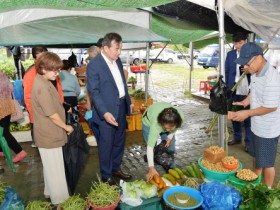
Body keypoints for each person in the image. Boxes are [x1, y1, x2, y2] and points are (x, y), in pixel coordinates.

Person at [232, 42, 280, 188]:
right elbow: (254, 93)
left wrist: (246, 113)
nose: (245, 67)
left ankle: (268, 190)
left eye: (247, 64)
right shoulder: (255, 73)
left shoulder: (273, 78)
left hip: (268, 129)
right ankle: (255, 182)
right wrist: (245, 103)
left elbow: (271, 107)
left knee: (267, 163)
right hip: (256, 126)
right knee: (256, 156)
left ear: (259, 58)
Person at [86, 32, 132, 185]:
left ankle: (115, 168)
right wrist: (104, 112)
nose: (119, 52)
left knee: (119, 140)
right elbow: (94, 92)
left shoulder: (117, 61)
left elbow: (121, 84)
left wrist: (128, 100)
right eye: (116, 49)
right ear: (105, 48)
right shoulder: (94, 65)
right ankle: (106, 175)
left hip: (120, 106)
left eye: (121, 49)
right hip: (105, 111)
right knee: (106, 144)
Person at [31, 52, 74, 204]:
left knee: (50, 166)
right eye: (54, 70)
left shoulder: (43, 80)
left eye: (58, 70)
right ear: (43, 68)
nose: (57, 73)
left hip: (49, 132)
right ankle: (61, 201)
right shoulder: (41, 86)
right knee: (55, 169)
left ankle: (49, 192)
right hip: (49, 133)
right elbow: (51, 114)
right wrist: (66, 127)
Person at [23, 46, 64, 148]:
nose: (43, 61)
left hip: (55, 112)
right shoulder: (31, 75)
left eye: (45, 57)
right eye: (39, 58)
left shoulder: (52, 71)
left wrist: (62, 106)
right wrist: (34, 118)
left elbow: (58, 89)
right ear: (34, 59)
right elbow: (28, 98)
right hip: (42, 117)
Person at [142, 102, 184, 181]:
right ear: (162, 124)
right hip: (148, 122)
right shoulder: (156, 125)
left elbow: (175, 127)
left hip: (167, 122)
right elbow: (150, 147)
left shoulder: (180, 117)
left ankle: (170, 168)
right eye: (166, 128)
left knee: (171, 144)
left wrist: (169, 137)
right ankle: (153, 170)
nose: (167, 130)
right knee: (153, 147)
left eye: (170, 128)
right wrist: (150, 167)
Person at [225, 32, 251, 152]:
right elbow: (226, 71)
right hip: (233, 89)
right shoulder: (230, 54)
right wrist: (226, 87)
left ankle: (248, 142)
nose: (238, 45)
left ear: (246, 41)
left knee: (247, 117)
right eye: (236, 43)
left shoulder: (252, 54)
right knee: (234, 114)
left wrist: (249, 70)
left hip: (247, 90)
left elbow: (257, 72)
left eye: (240, 43)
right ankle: (237, 137)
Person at [0, 71, 27, 164]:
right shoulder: (2, 74)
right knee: (3, 130)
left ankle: (19, 151)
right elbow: (11, 88)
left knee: (4, 132)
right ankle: (1, 151)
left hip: (1, 108)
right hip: (8, 105)